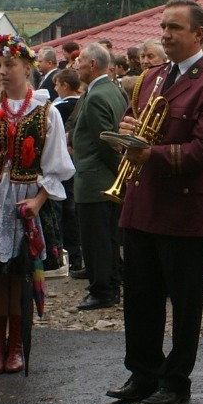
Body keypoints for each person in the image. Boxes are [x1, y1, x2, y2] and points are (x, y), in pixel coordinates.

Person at [110, 1, 203, 404]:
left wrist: (152, 153)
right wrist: (126, 131)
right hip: (141, 202)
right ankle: (142, 372)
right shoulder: (150, 77)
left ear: (199, 34)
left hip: (182, 208)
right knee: (140, 296)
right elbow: (131, 121)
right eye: (163, 26)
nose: (165, 34)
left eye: (175, 28)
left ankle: (175, 379)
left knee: (184, 305)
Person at [0, 35, 73, 376]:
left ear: (26, 68)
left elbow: (55, 166)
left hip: (25, 201)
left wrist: (38, 200)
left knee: (19, 276)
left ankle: (17, 345)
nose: (2, 72)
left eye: (10, 65)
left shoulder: (46, 112)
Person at [69, 43, 128, 312]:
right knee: (108, 238)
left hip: (96, 179)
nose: (76, 66)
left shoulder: (96, 96)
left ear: (92, 64)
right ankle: (110, 283)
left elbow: (105, 142)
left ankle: (102, 289)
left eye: (79, 61)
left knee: (96, 240)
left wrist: (120, 172)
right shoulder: (113, 89)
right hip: (105, 178)